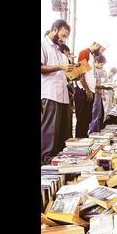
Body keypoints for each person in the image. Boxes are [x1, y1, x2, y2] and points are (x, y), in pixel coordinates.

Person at [41, 19, 74, 165]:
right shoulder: (43, 45)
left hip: (63, 96)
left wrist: (76, 72)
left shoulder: (60, 52)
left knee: (62, 131)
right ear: (54, 30)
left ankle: (58, 158)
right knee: (50, 130)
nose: (63, 39)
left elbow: (66, 72)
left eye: (66, 36)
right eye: (62, 35)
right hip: (50, 93)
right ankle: (46, 159)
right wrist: (61, 67)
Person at [74, 39, 109, 138]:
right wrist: (87, 90)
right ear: (97, 45)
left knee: (87, 120)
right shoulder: (84, 53)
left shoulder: (92, 57)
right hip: (83, 91)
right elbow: (80, 74)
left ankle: (83, 141)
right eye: (102, 50)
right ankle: (78, 144)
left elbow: (89, 77)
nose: (101, 52)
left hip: (89, 91)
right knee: (82, 120)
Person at [88, 54, 107, 134]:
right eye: (101, 64)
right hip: (95, 92)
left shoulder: (100, 69)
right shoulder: (92, 69)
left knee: (98, 112)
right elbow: (93, 83)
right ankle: (93, 130)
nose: (101, 66)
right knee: (95, 112)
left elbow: (101, 80)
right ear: (96, 62)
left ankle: (96, 129)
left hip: (98, 92)